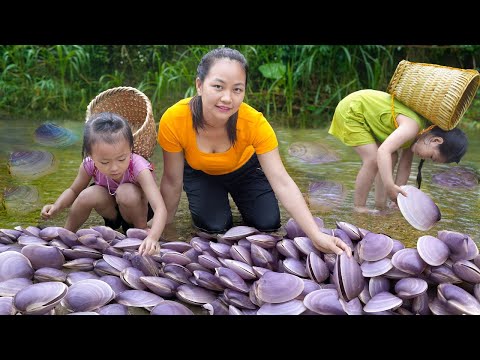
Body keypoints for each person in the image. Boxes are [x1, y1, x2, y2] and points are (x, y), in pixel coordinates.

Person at [157, 47, 351, 256]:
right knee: (214, 228)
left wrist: (316, 235)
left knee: (267, 224)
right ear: (199, 85)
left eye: (237, 89)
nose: (227, 98)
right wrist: (162, 229)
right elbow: (171, 181)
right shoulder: (174, 119)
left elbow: (282, 181)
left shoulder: (255, 123)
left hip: (246, 172)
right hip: (201, 174)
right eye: (218, 87)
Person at [41, 112, 167, 255]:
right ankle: (66, 234)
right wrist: (57, 206)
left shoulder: (139, 167)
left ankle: (140, 232)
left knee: (126, 191)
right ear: (91, 155)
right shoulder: (89, 165)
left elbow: (160, 208)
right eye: (104, 162)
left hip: (136, 212)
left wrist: (153, 237)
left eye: (121, 159)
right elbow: (73, 191)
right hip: (112, 213)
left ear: (131, 149)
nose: (114, 168)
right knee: (87, 194)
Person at [328, 89, 468, 213]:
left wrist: (398, 198)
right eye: (432, 156)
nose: (425, 159)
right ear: (436, 141)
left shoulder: (417, 137)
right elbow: (383, 151)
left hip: (369, 118)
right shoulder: (412, 127)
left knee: (392, 157)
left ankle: (380, 205)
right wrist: (389, 185)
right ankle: (359, 207)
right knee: (373, 159)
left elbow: (405, 166)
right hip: (353, 110)